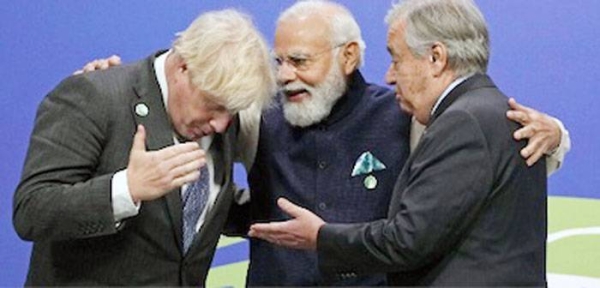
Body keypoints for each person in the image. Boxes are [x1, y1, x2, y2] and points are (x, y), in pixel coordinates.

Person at [79, 1, 569, 285]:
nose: (285, 76)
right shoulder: (257, 114)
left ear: (349, 57)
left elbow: (482, 167)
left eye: (300, 61)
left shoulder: (406, 114)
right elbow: (184, 103)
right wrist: (114, 87)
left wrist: (555, 136)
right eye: (279, 62)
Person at [249, 0, 548, 286]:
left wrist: (321, 237)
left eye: (396, 59)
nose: (390, 75)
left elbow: (409, 239)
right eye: (279, 61)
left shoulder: (457, 122)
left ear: (436, 58)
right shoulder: (490, 111)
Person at [12, 9, 275, 286]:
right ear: (183, 67)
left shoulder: (218, 118)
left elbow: (191, 208)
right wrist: (126, 189)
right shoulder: (95, 97)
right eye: (215, 106)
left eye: (231, 112)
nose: (222, 124)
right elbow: (32, 210)